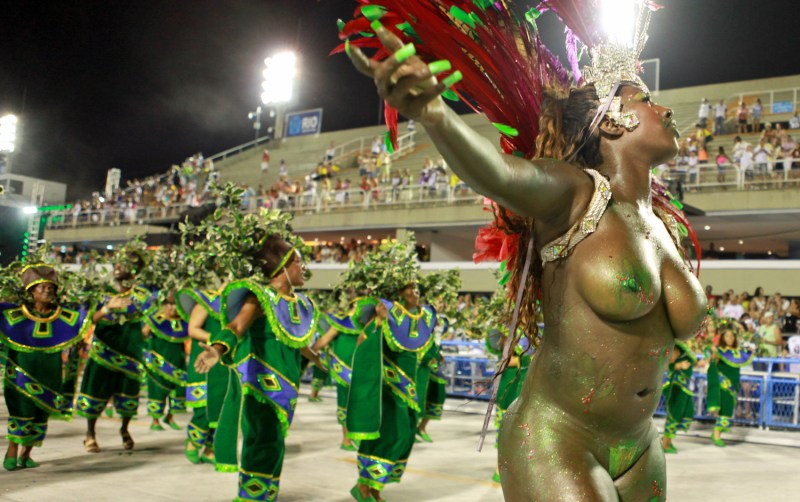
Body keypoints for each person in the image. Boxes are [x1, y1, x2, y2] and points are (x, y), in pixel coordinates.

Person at [342, 3, 707, 499]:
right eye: (645, 100)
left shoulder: (660, 224)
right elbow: (502, 174)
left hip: (641, 444)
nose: (664, 109)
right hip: (559, 439)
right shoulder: (574, 194)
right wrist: (435, 116)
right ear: (611, 123)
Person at [195, 233, 324, 502]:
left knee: (275, 442)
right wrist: (217, 349)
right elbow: (236, 326)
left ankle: (264, 495)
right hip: (261, 384)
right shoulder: (260, 298)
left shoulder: (298, 304)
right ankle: (251, 498)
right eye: (298, 262)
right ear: (282, 267)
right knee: (262, 440)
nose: (303, 268)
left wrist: (318, 359)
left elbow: (295, 339)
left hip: (286, 385)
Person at [343, 234, 436, 502]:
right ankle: (364, 486)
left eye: (417, 286)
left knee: (405, 434)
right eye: (409, 287)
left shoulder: (422, 318)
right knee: (388, 433)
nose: (415, 291)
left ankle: (375, 485)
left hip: (409, 389)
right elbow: (363, 343)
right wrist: (380, 323)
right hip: (386, 387)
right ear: (398, 292)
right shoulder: (385, 315)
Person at [1, 264, 92, 470]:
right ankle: (12, 450)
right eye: (42, 288)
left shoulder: (62, 316)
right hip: (21, 371)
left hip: (49, 372)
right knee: (20, 410)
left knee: (41, 413)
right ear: (31, 291)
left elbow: (82, 320)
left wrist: (105, 309)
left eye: (51, 288)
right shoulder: (14, 314)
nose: (47, 291)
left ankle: (26, 454)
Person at [76, 249, 153, 453]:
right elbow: (88, 320)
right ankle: (90, 434)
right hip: (103, 354)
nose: (118, 266)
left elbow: (154, 318)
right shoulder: (101, 292)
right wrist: (107, 308)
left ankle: (125, 429)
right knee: (95, 393)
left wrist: (147, 328)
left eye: (125, 263)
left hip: (130, 354)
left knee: (128, 396)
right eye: (117, 263)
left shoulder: (143, 295)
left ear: (135, 270)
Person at [143, 292, 188, 432]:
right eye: (169, 304)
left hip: (178, 363)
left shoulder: (184, 321)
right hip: (158, 365)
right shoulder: (154, 320)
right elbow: (143, 334)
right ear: (163, 305)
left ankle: (170, 416)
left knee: (180, 389)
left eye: (175, 304)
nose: (173, 308)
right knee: (158, 390)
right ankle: (155, 420)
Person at [706, 323, 754, 446]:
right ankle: (716, 434)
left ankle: (717, 433)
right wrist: (712, 353)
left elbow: (748, 354)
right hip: (723, 384)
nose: (730, 338)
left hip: (734, 385)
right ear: (723, 338)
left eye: (732, 336)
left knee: (728, 409)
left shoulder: (738, 352)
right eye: (727, 336)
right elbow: (711, 362)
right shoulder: (719, 351)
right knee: (724, 409)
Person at [660, 337, 705, 454]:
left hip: (685, 388)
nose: (669, 357)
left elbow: (691, 364)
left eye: (671, 353)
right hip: (676, 387)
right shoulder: (676, 356)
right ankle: (665, 443)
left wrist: (699, 364)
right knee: (674, 415)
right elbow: (664, 365)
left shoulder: (685, 353)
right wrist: (677, 366)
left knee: (685, 413)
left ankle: (667, 441)